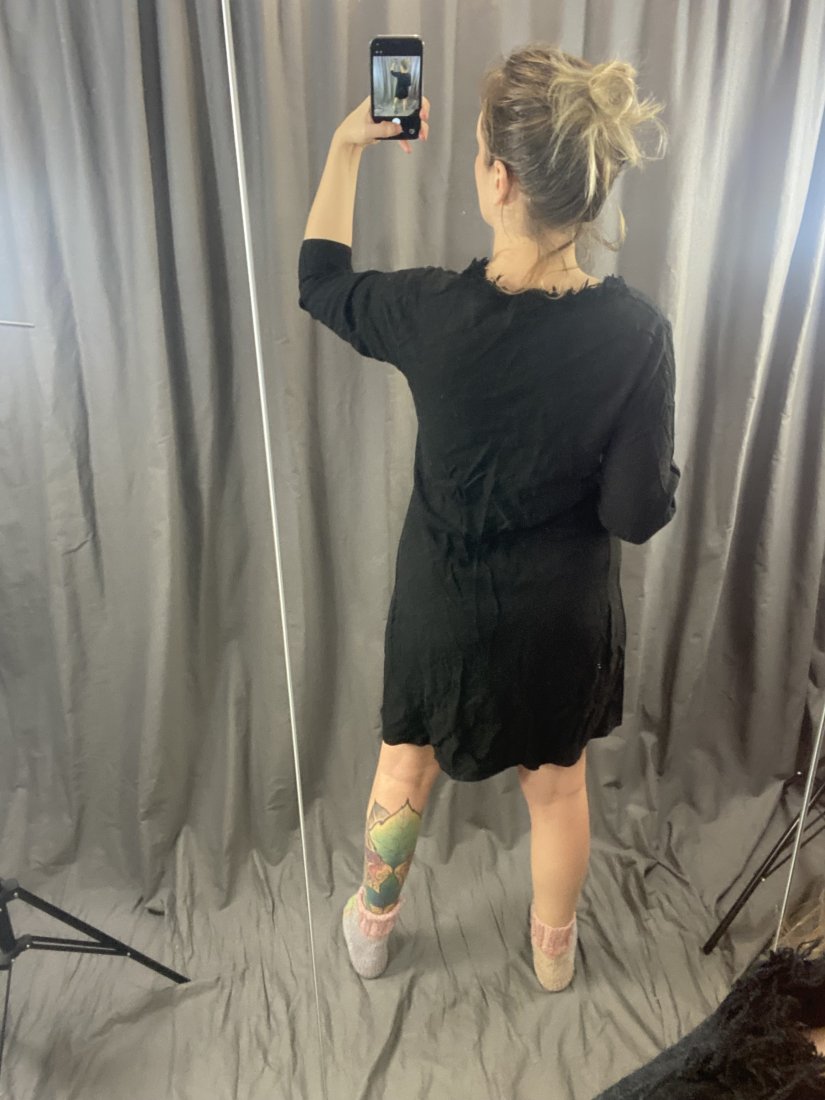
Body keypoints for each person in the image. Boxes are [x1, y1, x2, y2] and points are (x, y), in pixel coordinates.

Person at [298, 44, 681, 994]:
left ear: (498, 179)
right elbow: (636, 513)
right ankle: (553, 956)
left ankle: (371, 930)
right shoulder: (637, 333)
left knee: (404, 767)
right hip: (560, 617)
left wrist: (346, 147)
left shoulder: (429, 310)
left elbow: (321, 281)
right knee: (556, 789)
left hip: (444, 606)